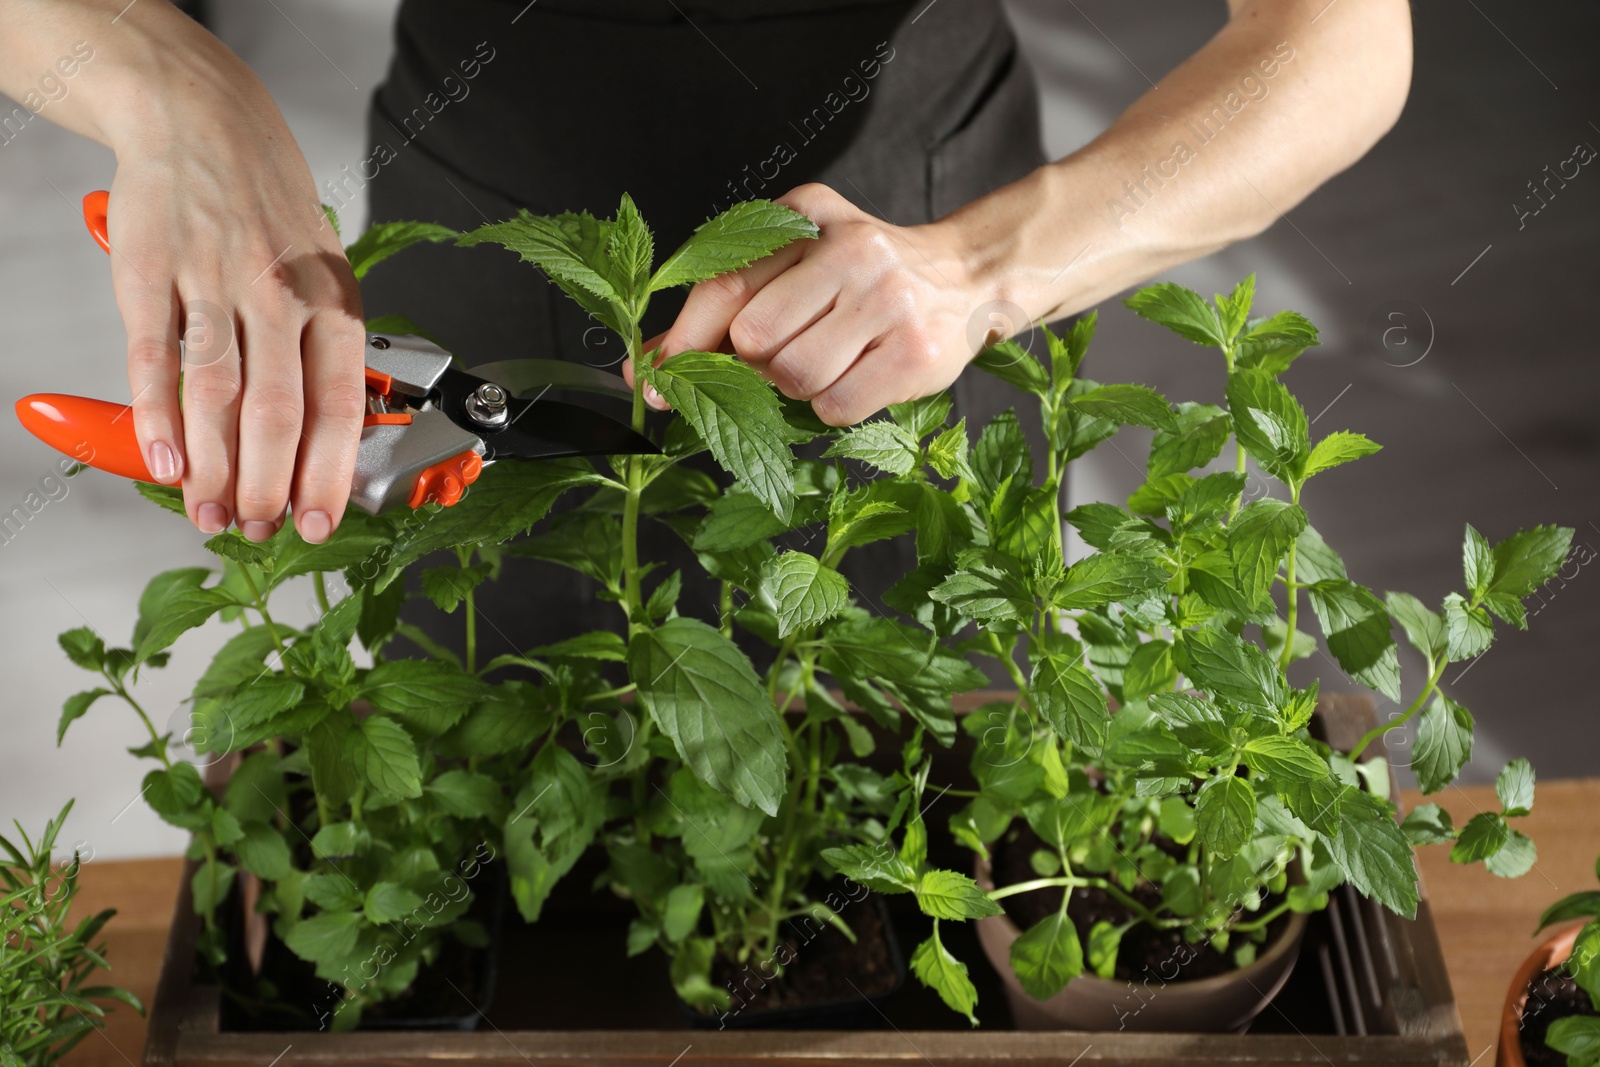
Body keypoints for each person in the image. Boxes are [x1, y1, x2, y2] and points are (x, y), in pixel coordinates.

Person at [1, 0, 1410, 621]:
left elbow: (1338, 39)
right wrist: (177, 94)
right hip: (486, 233)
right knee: (482, 784)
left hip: (902, 276)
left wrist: (980, 271)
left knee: (911, 759)